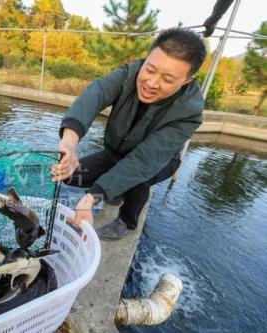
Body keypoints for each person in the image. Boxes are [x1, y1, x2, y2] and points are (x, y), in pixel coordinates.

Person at [51, 28, 207, 240]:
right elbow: (95, 95)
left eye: (167, 79)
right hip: (115, 151)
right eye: (150, 70)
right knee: (69, 176)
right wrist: (70, 142)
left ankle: (126, 220)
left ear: (187, 81)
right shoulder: (129, 73)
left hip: (157, 162)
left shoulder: (189, 111)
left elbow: (143, 161)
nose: (151, 83)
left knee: (138, 179)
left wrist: (91, 198)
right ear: (146, 60)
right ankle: (114, 190)